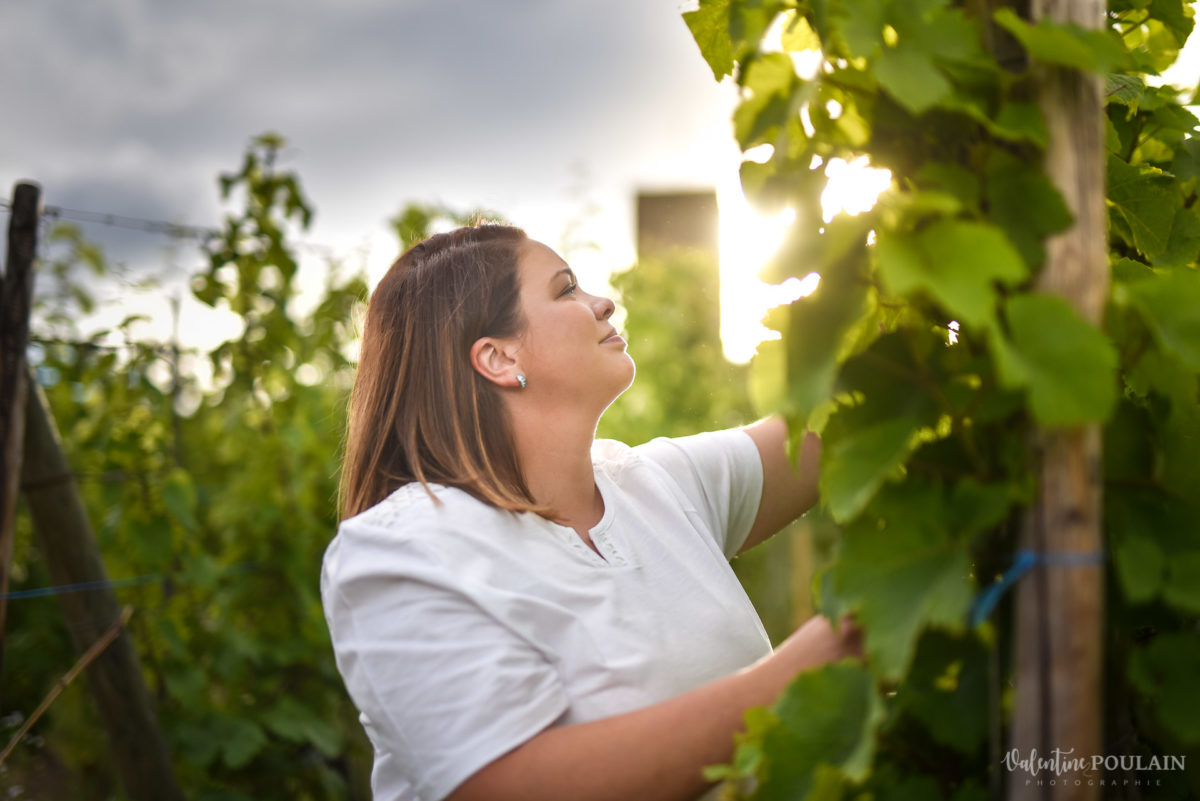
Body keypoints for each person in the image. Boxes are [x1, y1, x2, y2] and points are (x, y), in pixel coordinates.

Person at [320, 223, 863, 801]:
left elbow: (849, 426)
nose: (602, 302)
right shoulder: (403, 550)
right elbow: (510, 786)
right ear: (499, 357)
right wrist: (800, 671)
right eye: (566, 289)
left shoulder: (653, 484)